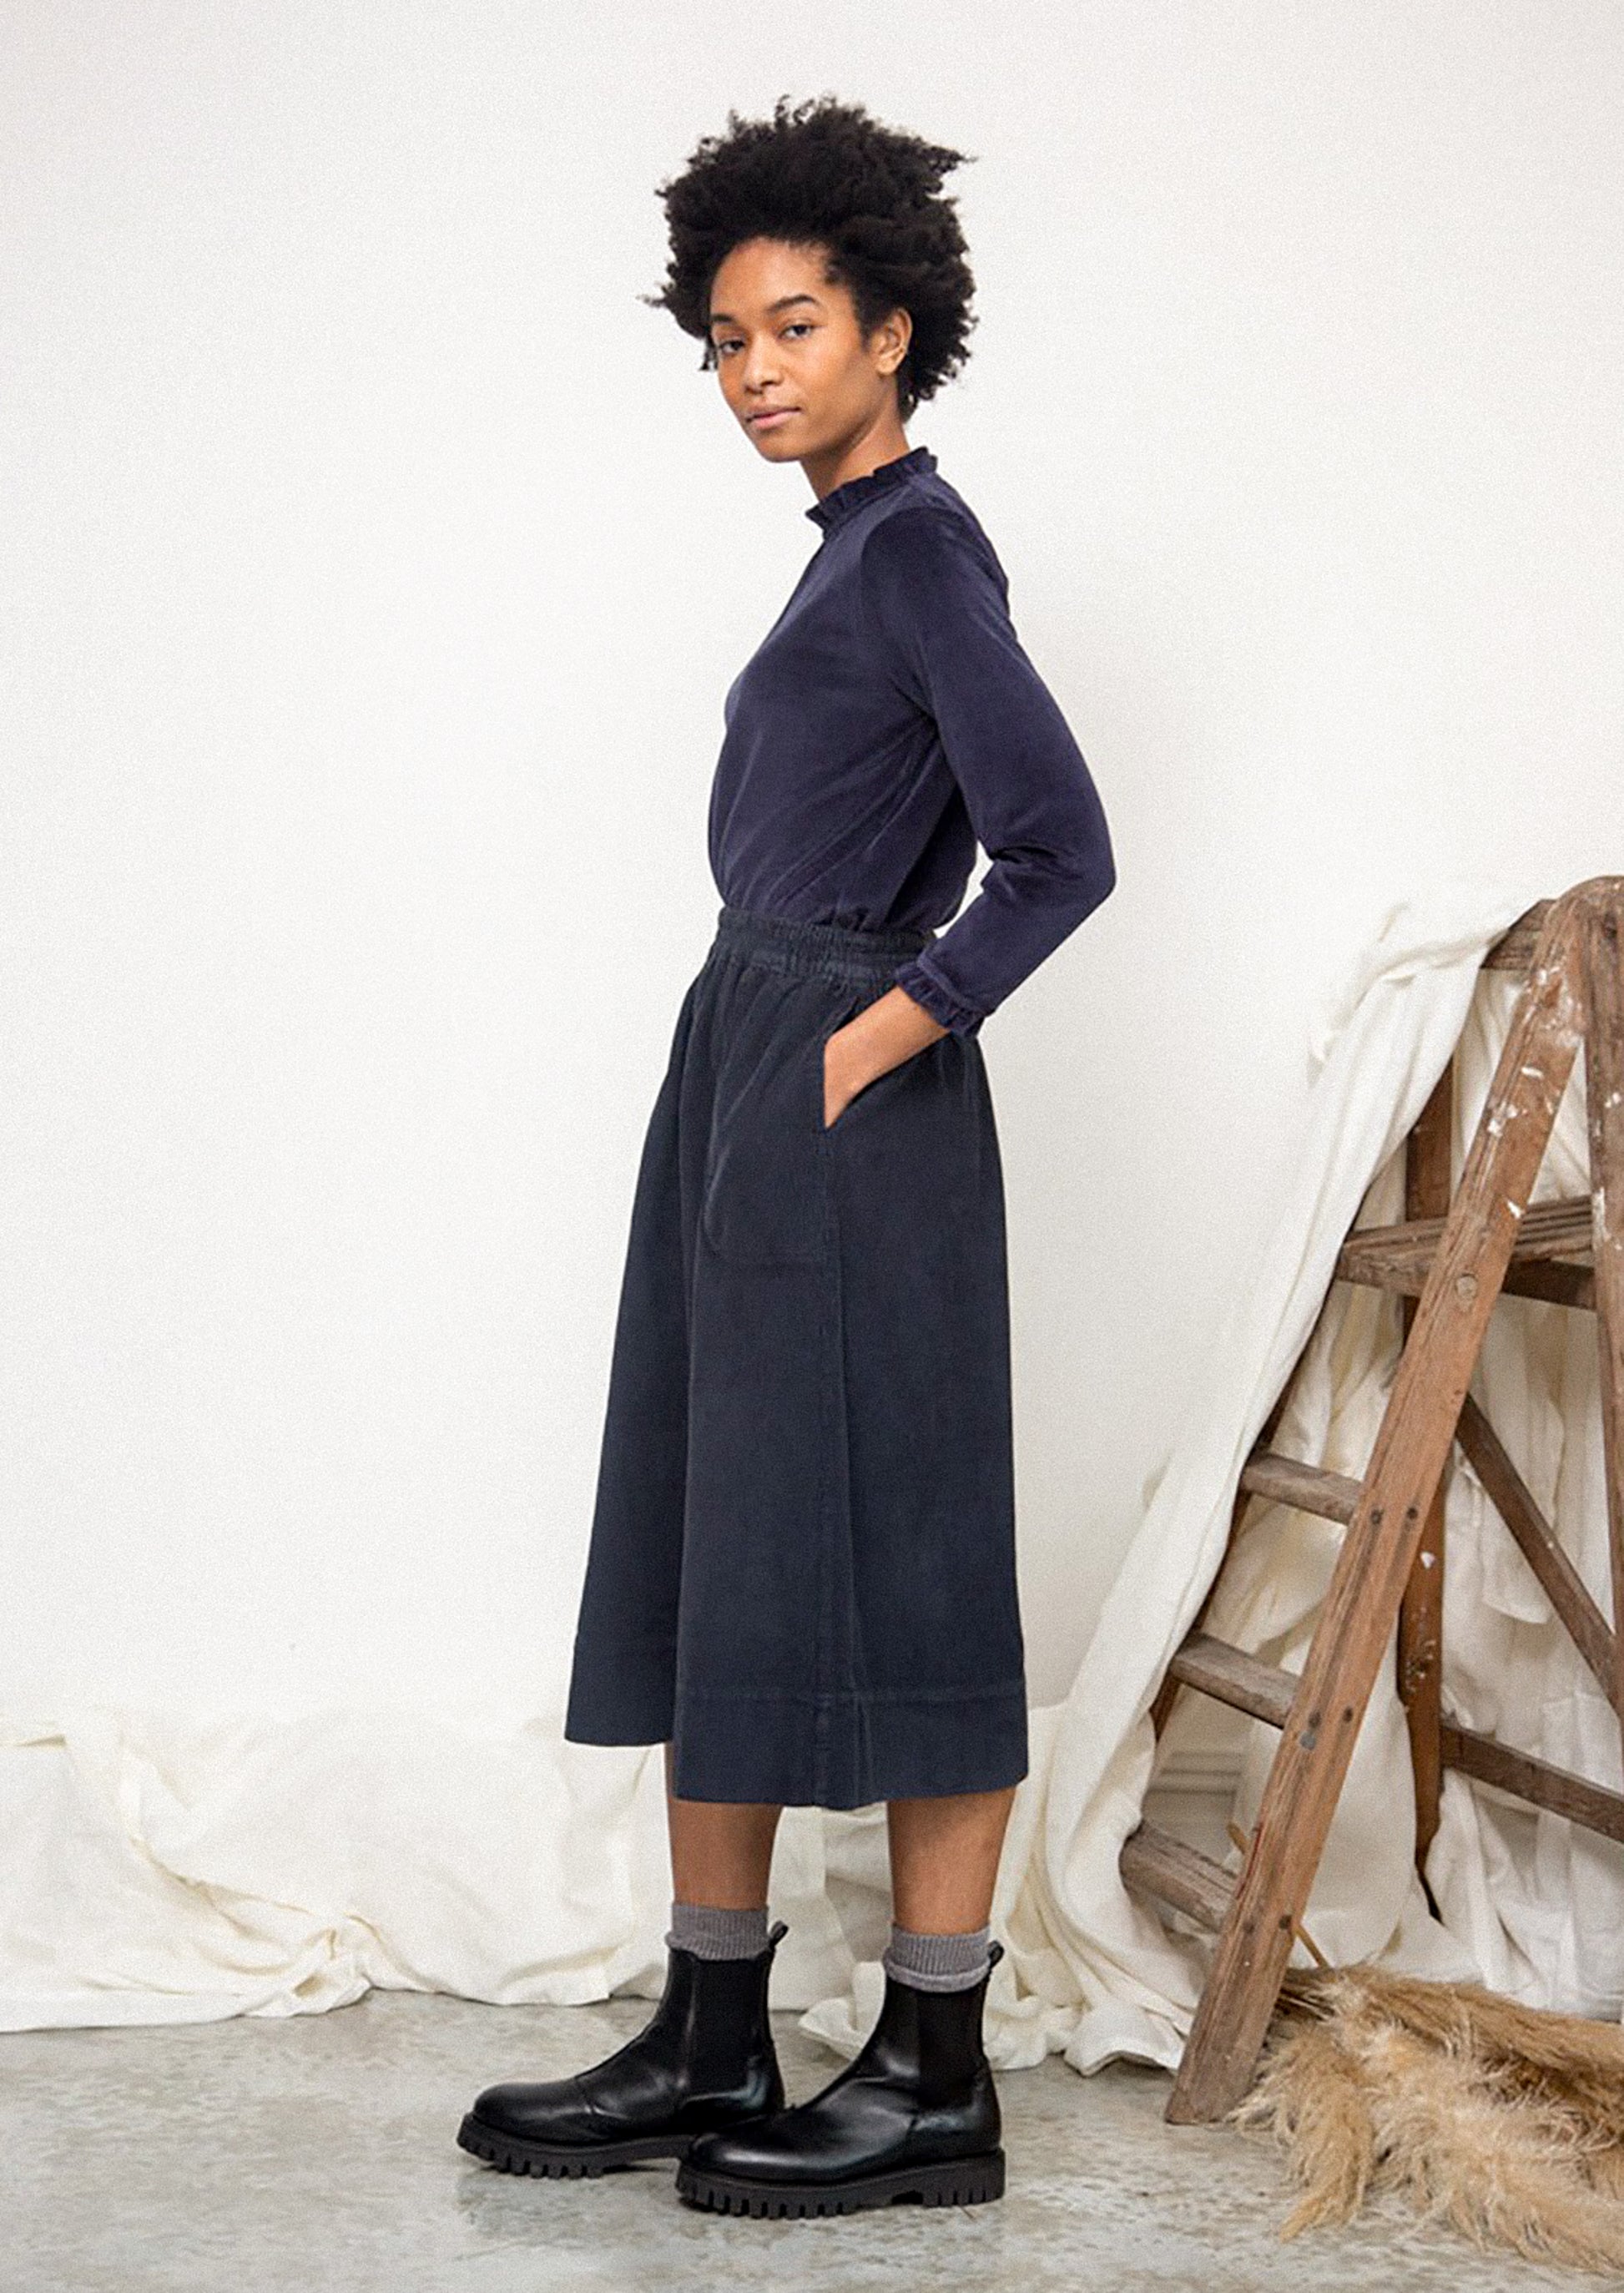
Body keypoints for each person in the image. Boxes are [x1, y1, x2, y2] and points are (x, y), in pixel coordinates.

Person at [457, 92, 1116, 2219]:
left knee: (905, 1543)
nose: (754, 372)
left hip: (842, 1087)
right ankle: (714, 2021)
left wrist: (872, 1037)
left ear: (891, 332)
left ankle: (936, 2065)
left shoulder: (920, 546)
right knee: (724, 1527)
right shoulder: (842, 545)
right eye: (726, 339)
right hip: (745, 1057)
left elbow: (1059, 851)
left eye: (795, 326)